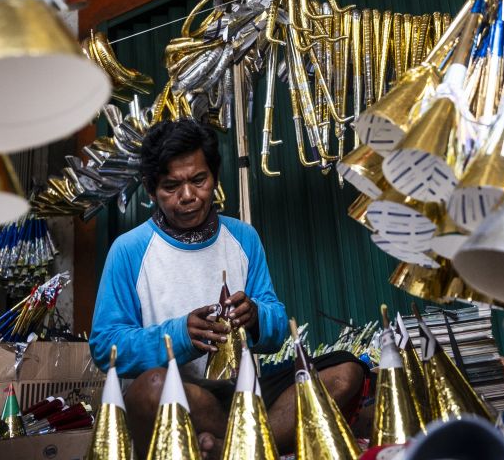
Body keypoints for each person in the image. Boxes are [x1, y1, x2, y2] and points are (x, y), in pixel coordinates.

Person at [89, 118, 365, 458]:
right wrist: (178, 336)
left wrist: (256, 317)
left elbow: (277, 327)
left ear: (215, 179)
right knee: (154, 387)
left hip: (245, 390)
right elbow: (105, 346)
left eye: (198, 180)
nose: (188, 196)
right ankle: (254, 444)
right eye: (171, 186)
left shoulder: (243, 238)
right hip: (186, 394)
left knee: (345, 373)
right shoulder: (129, 250)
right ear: (150, 190)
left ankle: (234, 449)